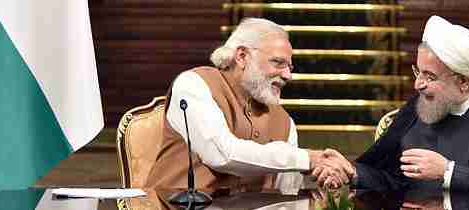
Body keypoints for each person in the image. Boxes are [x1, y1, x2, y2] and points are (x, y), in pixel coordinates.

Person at [316, 15, 469, 194]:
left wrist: (449, 172)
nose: (418, 84)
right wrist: (352, 172)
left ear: (462, 82)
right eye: (417, 72)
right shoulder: (416, 110)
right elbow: (393, 180)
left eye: (430, 77)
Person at [144, 17, 351, 194]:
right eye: (278, 63)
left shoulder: (284, 122)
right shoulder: (194, 84)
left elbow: (287, 197)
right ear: (242, 56)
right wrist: (308, 158)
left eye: (290, 67)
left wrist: (327, 172)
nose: (288, 75)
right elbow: (221, 154)